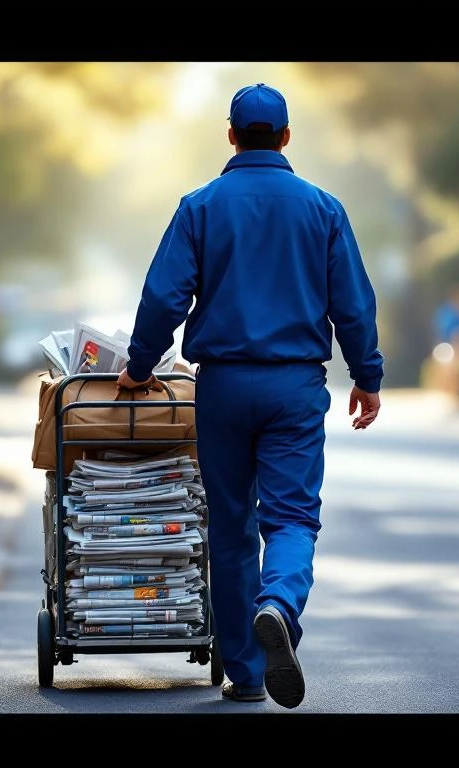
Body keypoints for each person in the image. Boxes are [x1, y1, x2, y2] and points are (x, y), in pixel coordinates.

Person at [116, 83, 384, 709]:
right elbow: (353, 305)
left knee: (231, 526)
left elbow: (164, 296)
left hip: (224, 387)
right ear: (286, 137)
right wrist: (367, 376)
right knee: (290, 517)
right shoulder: (324, 209)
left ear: (231, 136)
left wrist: (138, 364)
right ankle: (279, 606)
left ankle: (246, 672)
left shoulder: (200, 207)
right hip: (294, 388)